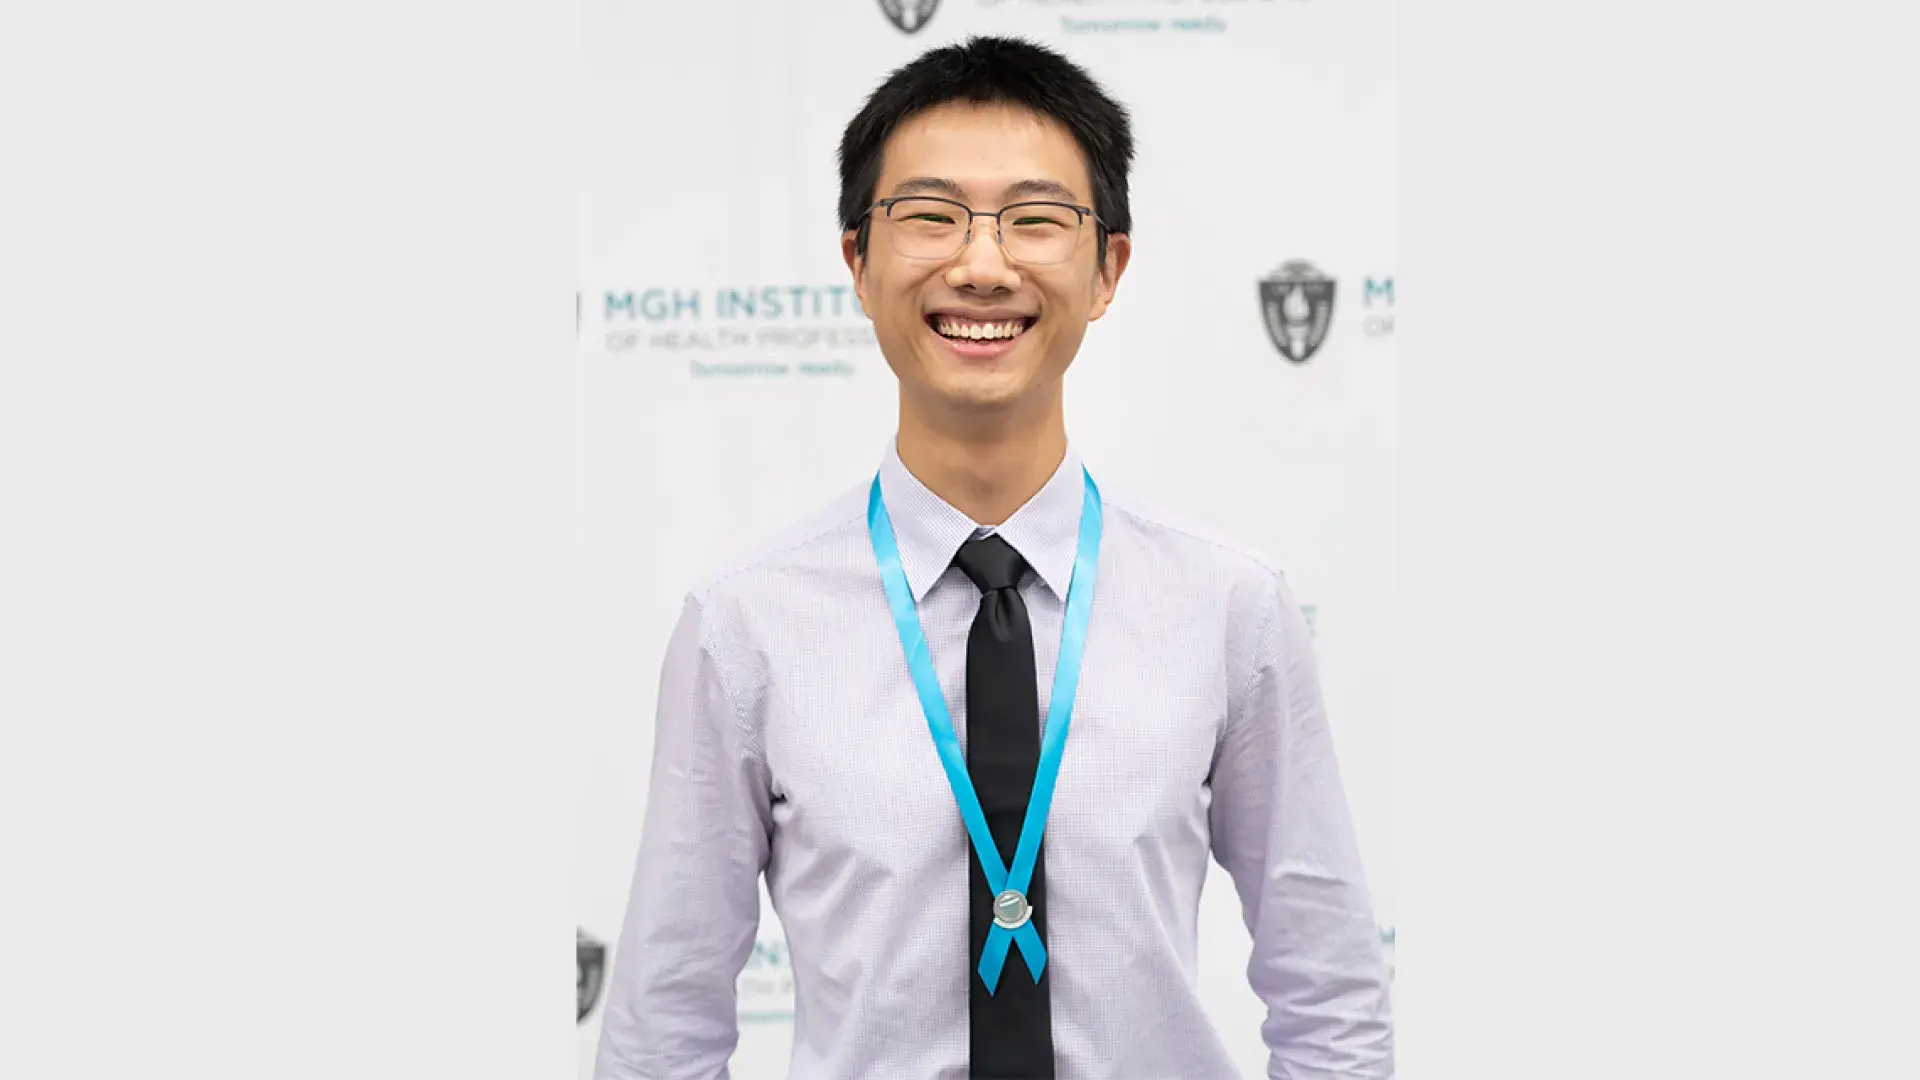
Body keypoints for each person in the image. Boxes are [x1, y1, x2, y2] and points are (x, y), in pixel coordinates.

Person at [594, 35, 1392, 1080]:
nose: (981, 264)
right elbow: (665, 1025)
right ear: (856, 262)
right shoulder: (746, 625)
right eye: (929, 216)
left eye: (1036, 219)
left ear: (1107, 268)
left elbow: (1329, 991)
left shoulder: (1229, 606)